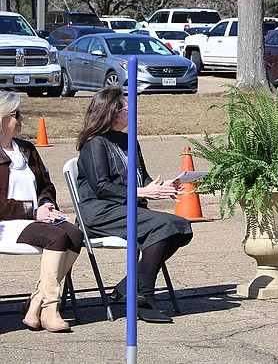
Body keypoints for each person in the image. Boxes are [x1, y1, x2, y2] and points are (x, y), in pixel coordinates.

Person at [76, 87, 193, 322]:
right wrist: (144, 191)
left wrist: (164, 186)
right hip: (100, 211)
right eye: (126, 106)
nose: (131, 110)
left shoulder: (130, 141)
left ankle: (130, 284)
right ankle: (144, 296)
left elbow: (143, 177)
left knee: (181, 227)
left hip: (130, 208)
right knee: (163, 227)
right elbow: (102, 187)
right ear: (112, 112)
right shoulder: (94, 144)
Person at [0, 90, 83, 332]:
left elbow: (46, 185)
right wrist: (32, 211)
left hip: (32, 218)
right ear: (2, 119)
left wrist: (46, 203)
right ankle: (51, 308)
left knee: (75, 234)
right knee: (55, 237)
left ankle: (36, 301)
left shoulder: (26, 149)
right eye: (16, 114)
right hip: (7, 223)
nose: (21, 118)